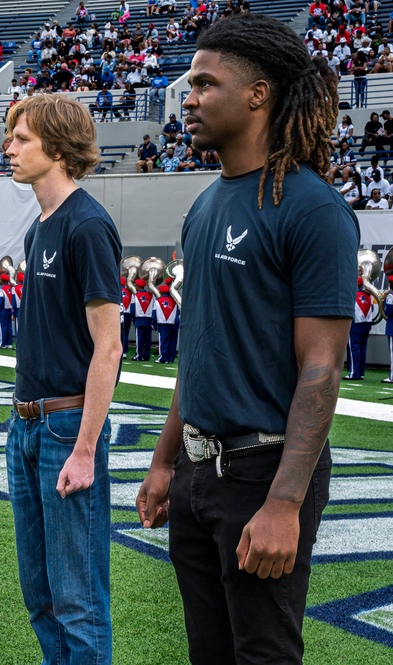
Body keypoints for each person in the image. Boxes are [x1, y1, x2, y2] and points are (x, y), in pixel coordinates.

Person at [136, 14, 360, 664]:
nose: (189, 98)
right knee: (207, 653)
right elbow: (198, 348)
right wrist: (161, 462)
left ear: (257, 94)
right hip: (195, 472)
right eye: (188, 86)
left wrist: (284, 501)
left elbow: (320, 366)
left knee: (262, 654)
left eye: (205, 84)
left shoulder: (312, 207)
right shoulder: (204, 205)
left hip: (261, 473)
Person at [1, 93, 123, 665]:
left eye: (22, 138)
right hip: (25, 423)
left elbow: (109, 346)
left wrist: (84, 447)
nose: (10, 147)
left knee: (77, 599)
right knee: (40, 594)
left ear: (58, 145)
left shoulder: (87, 224)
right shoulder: (39, 226)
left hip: (66, 426)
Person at [346, 277, 378, 380]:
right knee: (362, 349)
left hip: (356, 324)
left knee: (353, 349)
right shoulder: (367, 295)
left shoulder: (352, 294)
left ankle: (354, 373)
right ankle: (361, 372)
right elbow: (372, 309)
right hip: (366, 324)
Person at [154, 283, 179, 363]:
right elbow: (178, 312)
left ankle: (163, 358)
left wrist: (153, 324)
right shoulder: (174, 301)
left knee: (163, 341)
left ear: (161, 292)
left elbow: (154, 314)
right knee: (173, 342)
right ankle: (171, 359)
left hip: (163, 324)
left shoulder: (158, 301)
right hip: (174, 323)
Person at [130, 278, 154, 360]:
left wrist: (133, 318)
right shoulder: (151, 295)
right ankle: (147, 356)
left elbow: (132, 310)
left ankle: (138, 356)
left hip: (139, 319)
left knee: (139, 339)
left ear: (137, 286)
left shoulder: (135, 296)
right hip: (149, 319)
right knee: (147, 339)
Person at [384, 287, 393, 383]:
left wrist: (384, 300)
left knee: (392, 354)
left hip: (392, 327)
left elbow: (388, 312)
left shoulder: (391, 296)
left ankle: (392, 377)